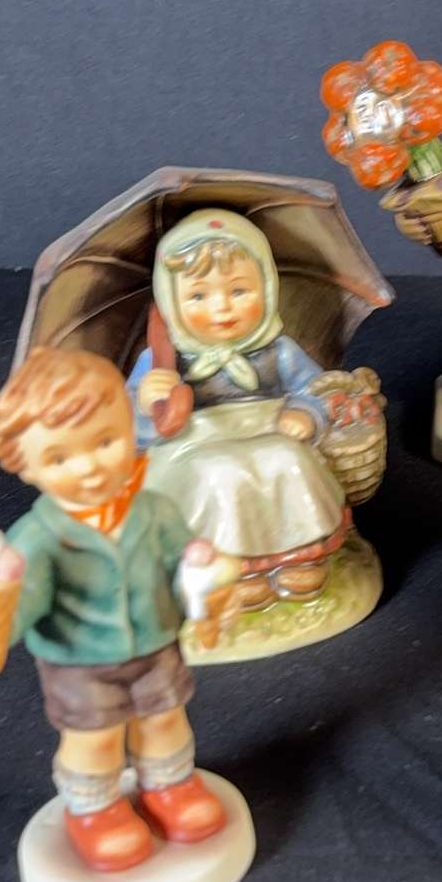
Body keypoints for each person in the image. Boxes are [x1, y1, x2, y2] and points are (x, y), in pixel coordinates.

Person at [0, 348, 238, 871]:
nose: (88, 466)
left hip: (155, 644)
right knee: (95, 739)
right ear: (24, 464)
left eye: (106, 442)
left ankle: (169, 785)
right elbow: (20, 604)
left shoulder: (155, 511)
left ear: (130, 426)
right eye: (59, 458)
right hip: (79, 664)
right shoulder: (35, 540)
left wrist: (204, 574)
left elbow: (182, 562)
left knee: (165, 720)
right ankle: (94, 809)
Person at [130, 209, 351, 607]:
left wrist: (306, 412)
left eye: (239, 291)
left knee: (288, 459)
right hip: (193, 448)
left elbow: (319, 388)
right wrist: (148, 404)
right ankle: (233, 571)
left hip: (267, 433)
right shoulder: (162, 360)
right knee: (220, 473)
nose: (222, 309)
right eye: (199, 296)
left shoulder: (279, 350)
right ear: (170, 303)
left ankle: (297, 559)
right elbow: (125, 431)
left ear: (267, 287)